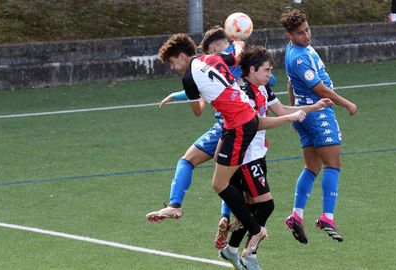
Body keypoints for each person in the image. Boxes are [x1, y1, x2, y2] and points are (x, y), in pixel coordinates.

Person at [149, 33, 306, 257]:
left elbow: (198, 111)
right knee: (223, 177)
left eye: (173, 62)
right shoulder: (212, 59)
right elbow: (238, 54)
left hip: (239, 125)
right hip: (241, 121)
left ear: (183, 56)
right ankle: (233, 222)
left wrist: (194, 93)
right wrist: (239, 38)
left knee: (220, 184)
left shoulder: (189, 78)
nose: (174, 67)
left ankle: (254, 229)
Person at [217, 45, 333, 270]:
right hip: (245, 156)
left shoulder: (262, 88)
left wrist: (312, 107)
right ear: (252, 70)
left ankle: (231, 249)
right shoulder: (244, 92)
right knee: (266, 205)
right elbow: (257, 122)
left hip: (257, 154)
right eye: (267, 70)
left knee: (251, 206)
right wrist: (291, 119)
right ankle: (250, 252)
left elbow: (280, 109)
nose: (271, 74)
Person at [280, 9, 358, 244]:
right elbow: (320, 90)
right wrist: (347, 104)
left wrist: (295, 112)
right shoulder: (299, 57)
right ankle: (327, 217)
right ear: (289, 35)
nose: (306, 35)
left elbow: (290, 82)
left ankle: (296, 214)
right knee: (333, 164)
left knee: (311, 166)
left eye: (307, 30)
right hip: (318, 112)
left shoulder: (296, 50)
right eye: (300, 33)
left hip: (305, 114)